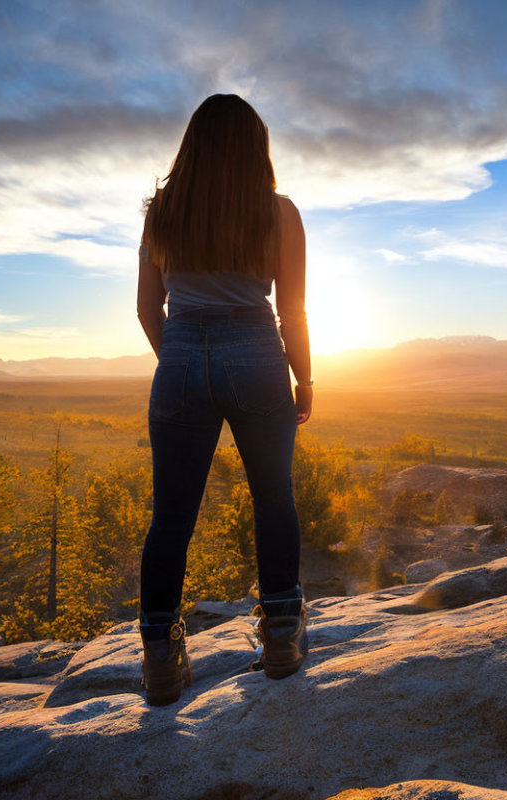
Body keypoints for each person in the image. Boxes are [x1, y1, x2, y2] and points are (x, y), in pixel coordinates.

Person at [135, 94, 313, 706]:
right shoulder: (280, 212)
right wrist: (304, 379)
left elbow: (145, 306)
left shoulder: (163, 213)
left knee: (171, 517)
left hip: (181, 353)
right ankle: (283, 637)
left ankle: (160, 656)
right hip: (258, 355)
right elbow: (291, 309)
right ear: (254, 147)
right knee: (273, 498)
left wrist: (183, 360)